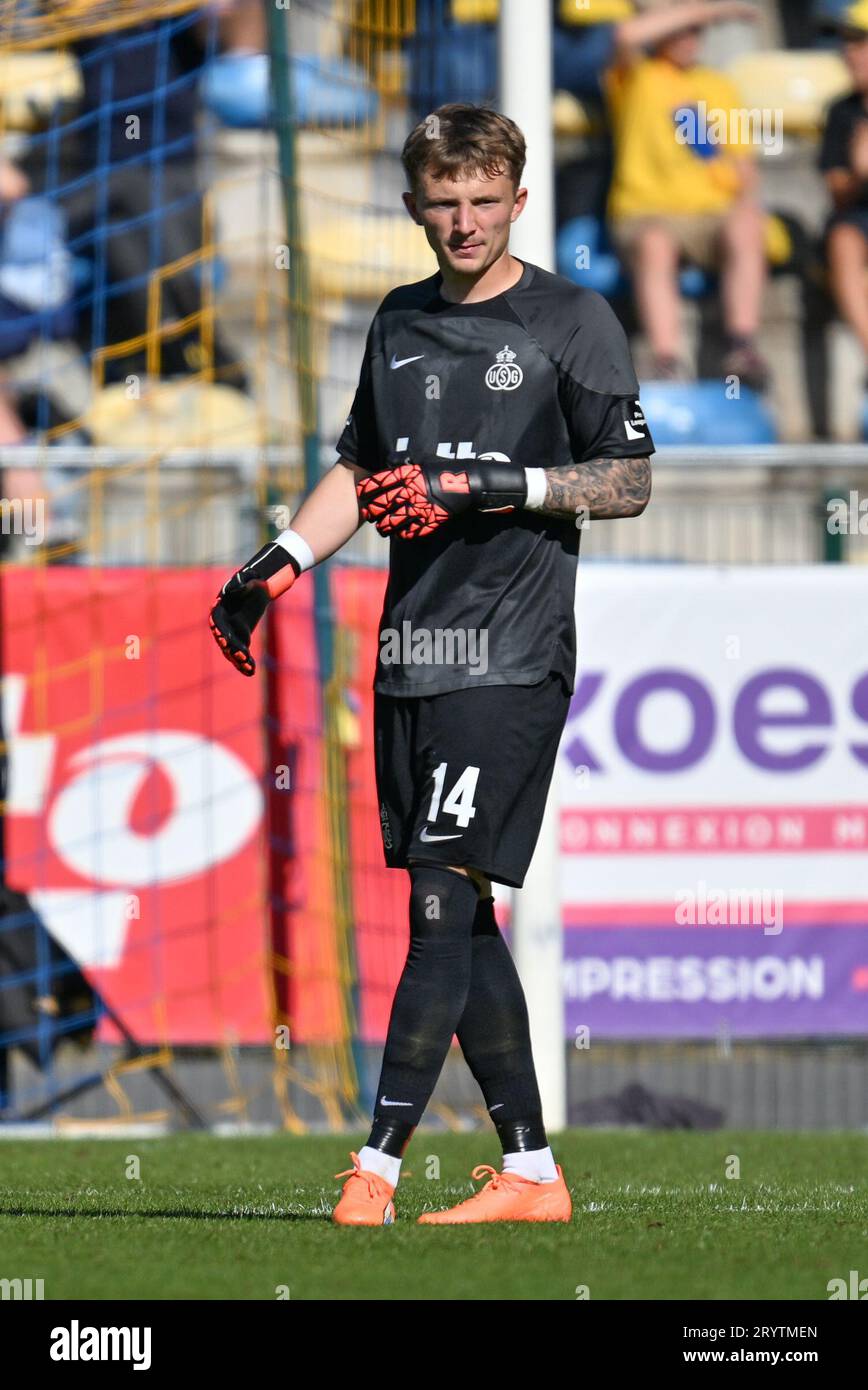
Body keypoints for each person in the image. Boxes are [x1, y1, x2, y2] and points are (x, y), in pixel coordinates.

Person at [209, 104, 654, 1226]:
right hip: (410, 654)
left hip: (509, 657)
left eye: (482, 199)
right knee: (460, 915)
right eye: (442, 201)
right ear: (413, 205)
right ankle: (531, 1175)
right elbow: (361, 470)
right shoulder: (398, 321)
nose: (463, 220)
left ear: (516, 198)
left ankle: (376, 1169)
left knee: (438, 906)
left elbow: (629, 478)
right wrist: (275, 563)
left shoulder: (570, 318)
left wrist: (502, 487)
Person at [605, 0, 769, 387]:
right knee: (655, 243)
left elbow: (743, 169)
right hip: (647, 213)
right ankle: (667, 362)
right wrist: (711, 9)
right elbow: (625, 35)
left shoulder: (718, 85)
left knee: (747, 225)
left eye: (695, 30)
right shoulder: (634, 77)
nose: (689, 37)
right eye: (679, 27)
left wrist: (747, 208)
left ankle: (742, 348)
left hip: (711, 216)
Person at [820, 0, 868, 366]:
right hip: (859, 216)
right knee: (843, 238)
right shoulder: (842, 111)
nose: (848, 53)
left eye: (859, 41)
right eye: (847, 43)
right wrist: (860, 171)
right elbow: (838, 193)